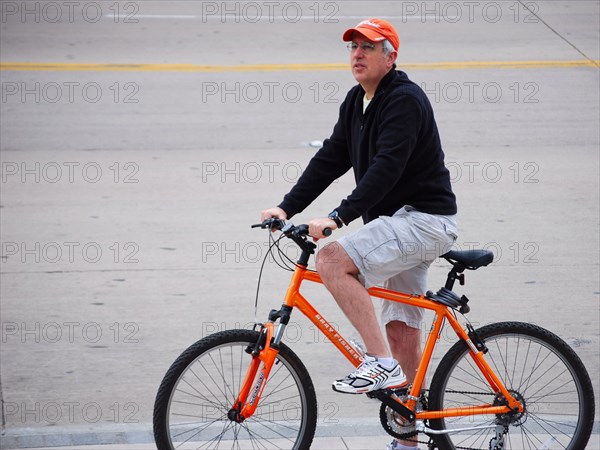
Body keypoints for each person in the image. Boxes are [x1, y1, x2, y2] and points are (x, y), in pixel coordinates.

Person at [260, 18, 458, 450]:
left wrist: (338, 216)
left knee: (331, 260)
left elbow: (387, 166)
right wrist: (285, 206)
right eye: (353, 46)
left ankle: (380, 363)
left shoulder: (404, 100)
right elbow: (331, 159)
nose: (357, 53)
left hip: (423, 220)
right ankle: (408, 438)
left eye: (369, 46)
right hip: (397, 224)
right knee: (401, 326)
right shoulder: (357, 101)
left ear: (391, 56)